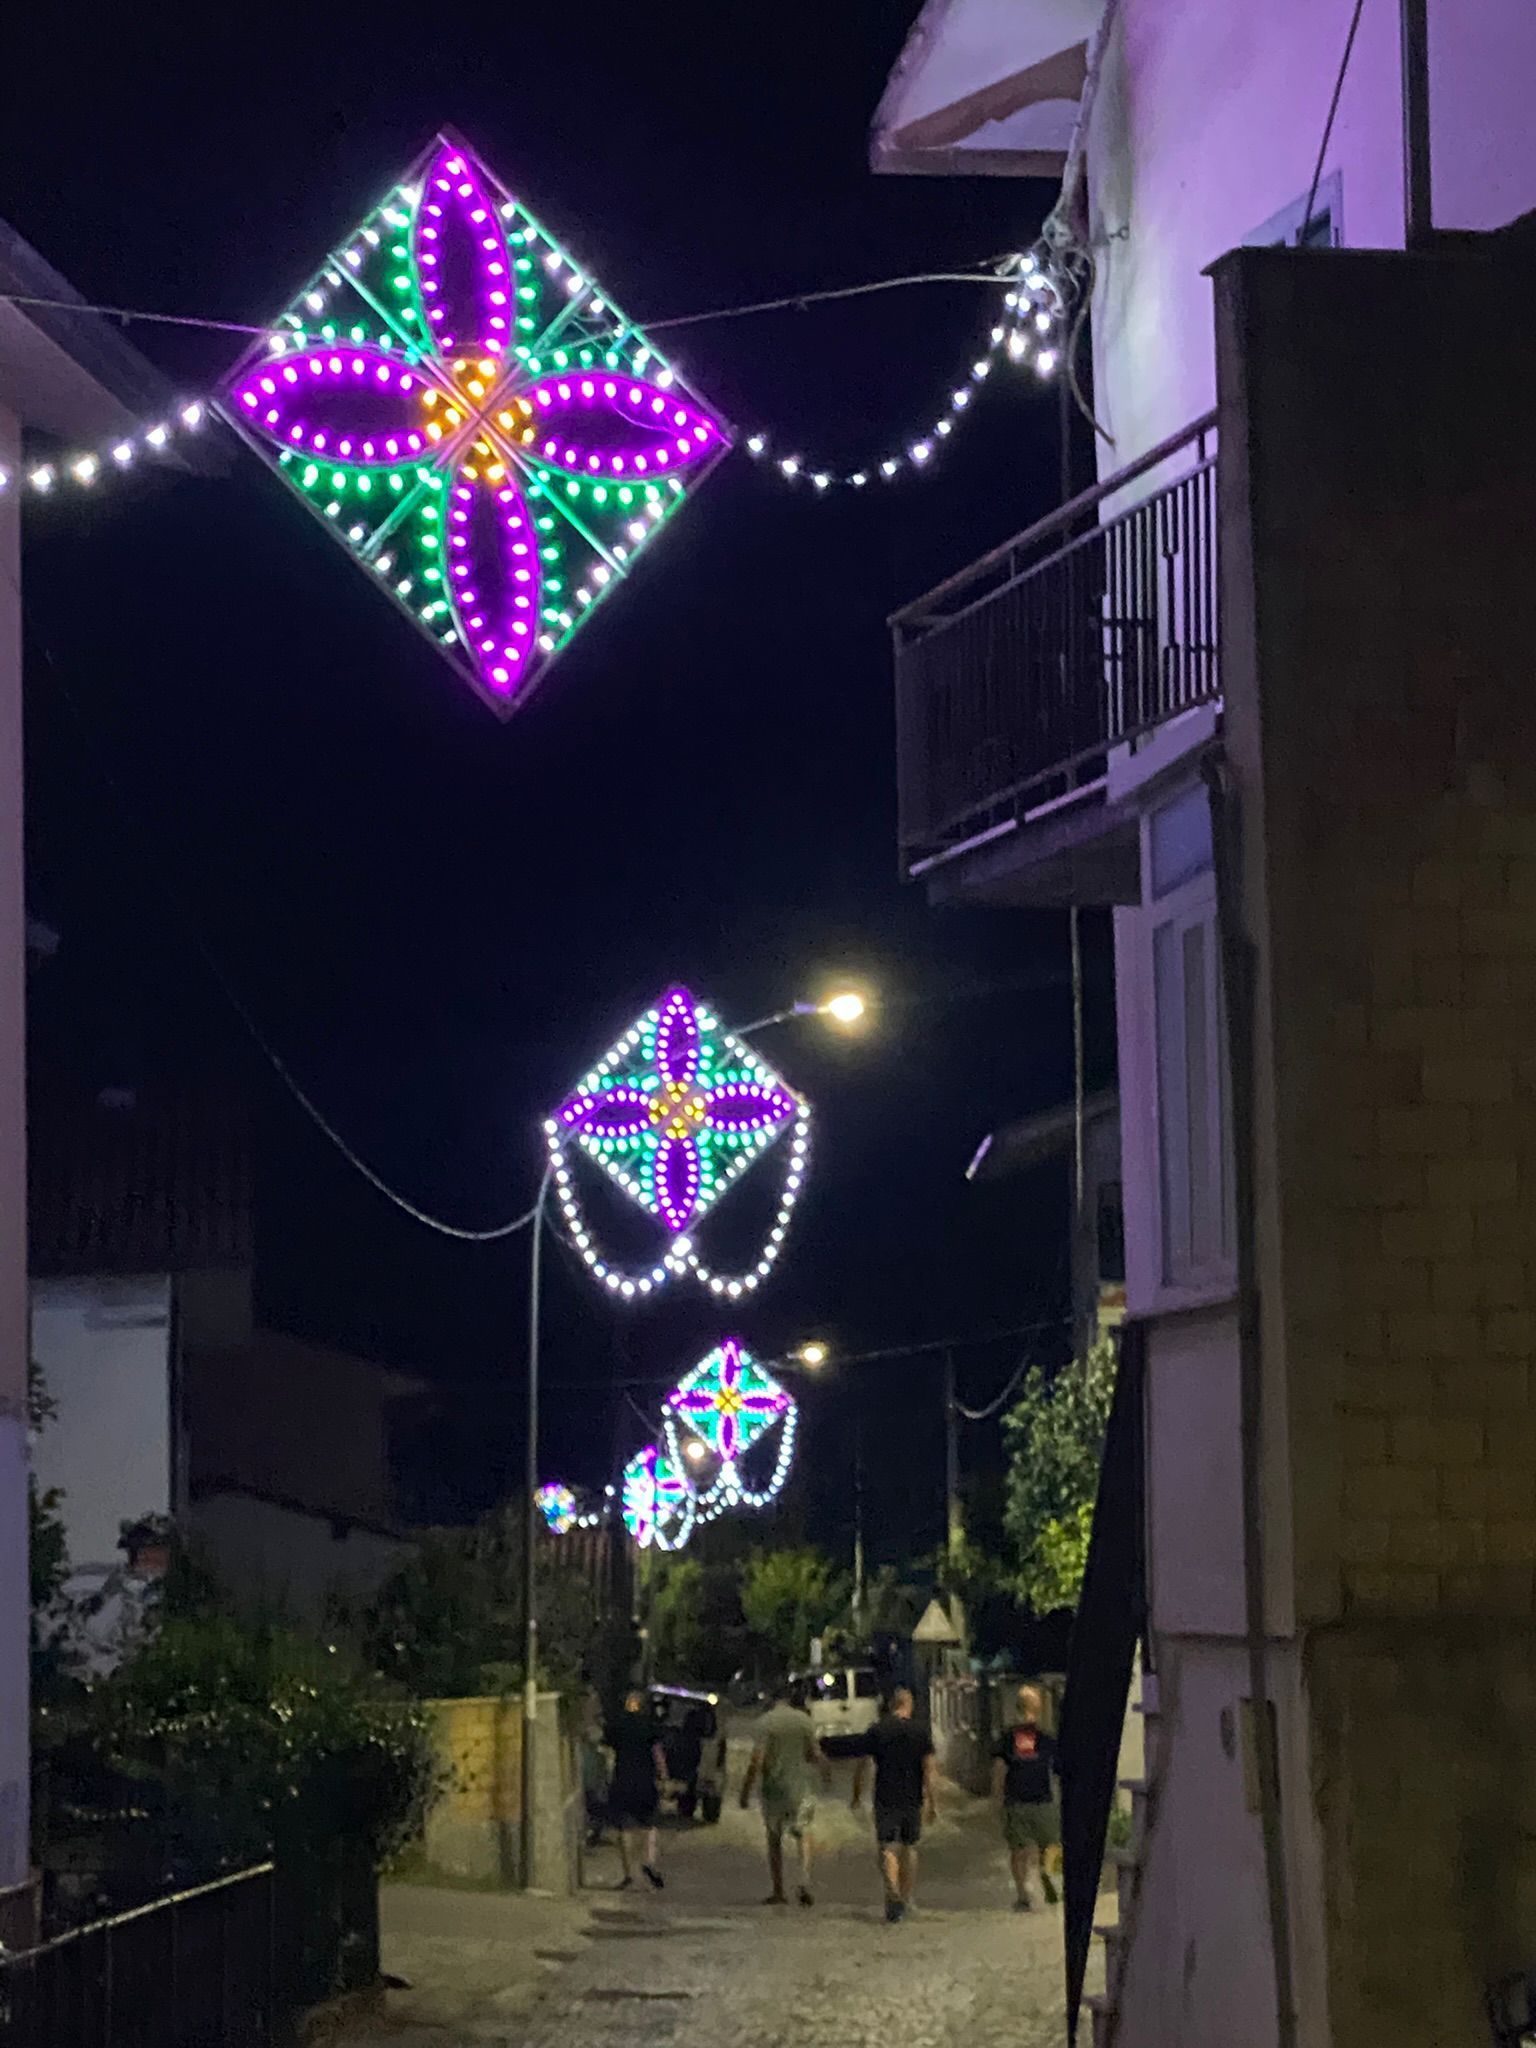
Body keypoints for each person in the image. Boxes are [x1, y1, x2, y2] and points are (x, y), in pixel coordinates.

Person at [828, 1685, 937, 1923]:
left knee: (887, 1846)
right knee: (910, 1847)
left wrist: (856, 1795)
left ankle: (892, 1893)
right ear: (909, 1705)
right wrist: (932, 1802)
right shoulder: (920, 1731)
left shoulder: (878, 1730)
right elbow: (929, 1770)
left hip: (885, 1797)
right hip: (912, 1797)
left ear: (890, 1706)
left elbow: (863, 1765)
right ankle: (907, 1899)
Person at [740, 1679, 823, 1906]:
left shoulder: (765, 1723)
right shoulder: (805, 1722)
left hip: (774, 1789)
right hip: (801, 1787)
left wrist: (745, 1792)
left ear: (772, 1700)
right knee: (803, 1834)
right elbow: (815, 1755)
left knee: (774, 1839)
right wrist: (825, 1776)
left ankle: (778, 1890)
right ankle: (804, 1880)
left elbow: (757, 1761)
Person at [993, 1683, 1060, 1909]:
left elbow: (999, 1770)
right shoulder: (1046, 1737)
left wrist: (997, 1800)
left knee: (1018, 1850)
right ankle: (1047, 1878)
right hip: (1042, 1799)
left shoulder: (1007, 1737)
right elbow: (1057, 1770)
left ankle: (1023, 1893)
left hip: (1016, 1800)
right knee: (1050, 1846)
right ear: (1038, 1707)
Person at [605, 1690, 666, 1889]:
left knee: (624, 1828)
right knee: (649, 1826)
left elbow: (607, 1751)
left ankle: (628, 1873)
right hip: (645, 1782)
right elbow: (657, 1753)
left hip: (622, 1780)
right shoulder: (649, 1725)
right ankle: (648, 1861)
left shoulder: (618, 1726)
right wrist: (663, 1776)